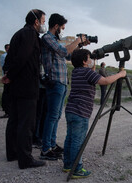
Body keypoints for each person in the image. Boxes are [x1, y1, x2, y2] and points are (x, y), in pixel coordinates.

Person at [63, 49, 126, 178]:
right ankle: (76, 169)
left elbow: (91, 75)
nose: (91, 60)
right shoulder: (87, 72)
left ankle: (68, 165)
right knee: (78, 141)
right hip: (81, 112)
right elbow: (106, 81)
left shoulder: (76, 72)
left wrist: (93, 63)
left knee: (70, 138)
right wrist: (120, 74)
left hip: (71, 110)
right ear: (84, 61)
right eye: (89, 58)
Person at [1, 9, 47, 169]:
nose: (43, 25)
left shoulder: (18, 33)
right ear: (36, 22)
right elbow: (22, 58)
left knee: (14, 120)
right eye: (43, 21)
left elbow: (10, 59)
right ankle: (25, 159)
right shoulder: (29, 35)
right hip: (26, 86)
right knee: (26, 123)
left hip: (16, 86)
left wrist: (8, 75)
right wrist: (11, 75)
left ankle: (13, 153)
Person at [40, 13, 88, 160]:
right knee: (52, 116)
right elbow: (64, 51)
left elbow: (66, 56)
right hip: (54, 81)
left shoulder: (55, 40)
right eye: (62, 27)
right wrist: (77, 40)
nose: (63, 30)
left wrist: (79, 45)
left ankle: (52, 145)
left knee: (56, 116)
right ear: (56, 26)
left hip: (61, 82)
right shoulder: (47, 38)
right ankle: (45, 148)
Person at [0, 44, 10, 118]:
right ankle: (7, 110)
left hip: (8, 77)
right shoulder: (5, 56)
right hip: (7, 78)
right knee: (7, 94)